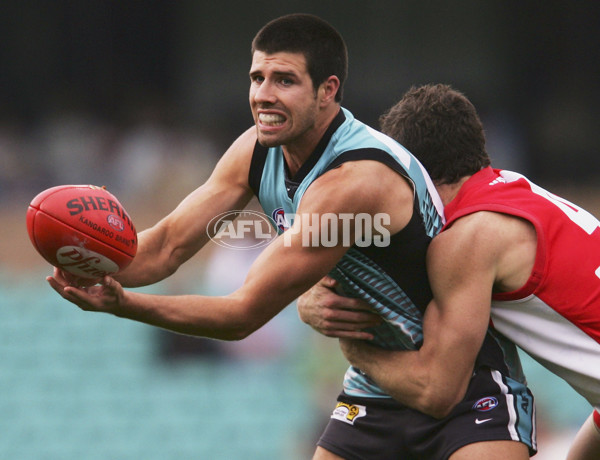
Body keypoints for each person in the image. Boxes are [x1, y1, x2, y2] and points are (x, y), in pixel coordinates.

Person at [46, 15, 536, 459]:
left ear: (328, 91)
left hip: (468, 385)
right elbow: (166, 246)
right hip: (377, 385)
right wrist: (90, 255)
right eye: (257, 78)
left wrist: (123, 304)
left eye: (285, 80)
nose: (263, 94)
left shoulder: (353, 181)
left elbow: (242, 315)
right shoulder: (256, 150)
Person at [297, 83, 600, 459]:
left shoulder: (469, 237)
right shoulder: (514, 195)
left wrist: (356, 348)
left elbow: (438, 389)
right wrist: (311, 295)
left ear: (411, 173)